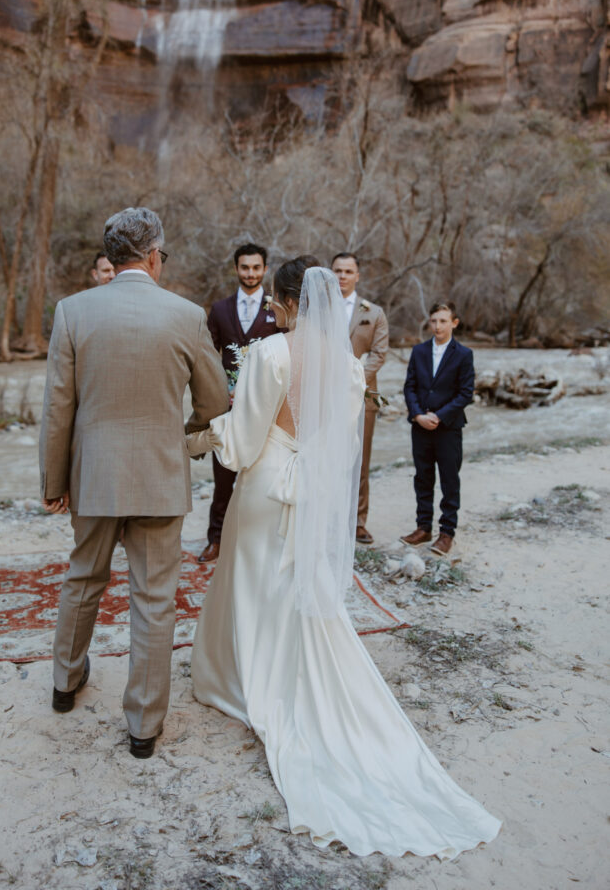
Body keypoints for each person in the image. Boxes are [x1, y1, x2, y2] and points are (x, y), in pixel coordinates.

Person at [186, 260, 500, 858]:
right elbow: (338, 436)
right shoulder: (351, 367)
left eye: (277, 304)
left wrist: (202, 436)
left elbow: (246, 439)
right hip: (316, 490)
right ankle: (292, 675)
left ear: (283, 303)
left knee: (250, 584)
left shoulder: (271, 354)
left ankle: (243, 681)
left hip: (268, 484)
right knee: (292, 584)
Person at [39, 207, 228, 759]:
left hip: (93, 476)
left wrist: (55, 480)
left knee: (82, 579)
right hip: (158, 477)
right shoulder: (187, 316)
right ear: (152, 256)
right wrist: (181, 435)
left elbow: (58, 408)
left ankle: (64, 685)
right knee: (153, 601)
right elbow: (215, 402)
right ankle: (143, 726)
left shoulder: (72, 312)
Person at [198, 242, 284, 563]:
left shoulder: (276, 310)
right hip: (229, 410)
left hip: (267, 410)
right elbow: (207, 358)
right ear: (236, 269)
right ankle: (216, 538)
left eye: (256, 267)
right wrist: (222, 391)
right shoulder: (219, 310)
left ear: (265, 269)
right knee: (223, 475)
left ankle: (255, 541)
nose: (250, 273)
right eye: (244, 267)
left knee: (262, 475)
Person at [401, 300, 474, 556]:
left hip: (448, 427)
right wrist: (418, 415)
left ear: (454, 323)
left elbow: (466, 393)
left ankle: (446, 533)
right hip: (420, 426)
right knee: (422, 477)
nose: (437, 326)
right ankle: (423, 527)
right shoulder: (419, 351)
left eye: (443, 321)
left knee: (449, 479)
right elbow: (409, 386)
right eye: (434, 321)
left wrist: (439, 416)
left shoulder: (463, 355)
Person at [331, 252, 388, 545]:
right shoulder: (321, 309)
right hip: (325, 395)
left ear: (357, 275)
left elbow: (379, 353)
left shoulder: (373, 312)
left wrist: (353, 380)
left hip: (362, 396)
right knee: (327, 458)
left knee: (359, 460)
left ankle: (358, 521)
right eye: (338, 271)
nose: (342, 276)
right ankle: (327, 517)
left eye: (348, 271)